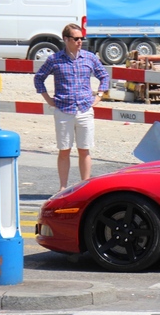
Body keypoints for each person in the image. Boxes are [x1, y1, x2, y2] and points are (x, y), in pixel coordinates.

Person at [34, 23, 110, 192]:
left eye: (81, 38)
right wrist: (48, 99)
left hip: (84, 109)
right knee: (64, 150)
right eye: (76, 38)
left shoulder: (90, 58)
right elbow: (38, 78)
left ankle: (85, 187)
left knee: (84, 150)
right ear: (66, 39)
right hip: (63, 110)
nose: (80, 41)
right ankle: (63, 188)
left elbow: (104, 76)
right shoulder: (55, 59)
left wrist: (99, 96)